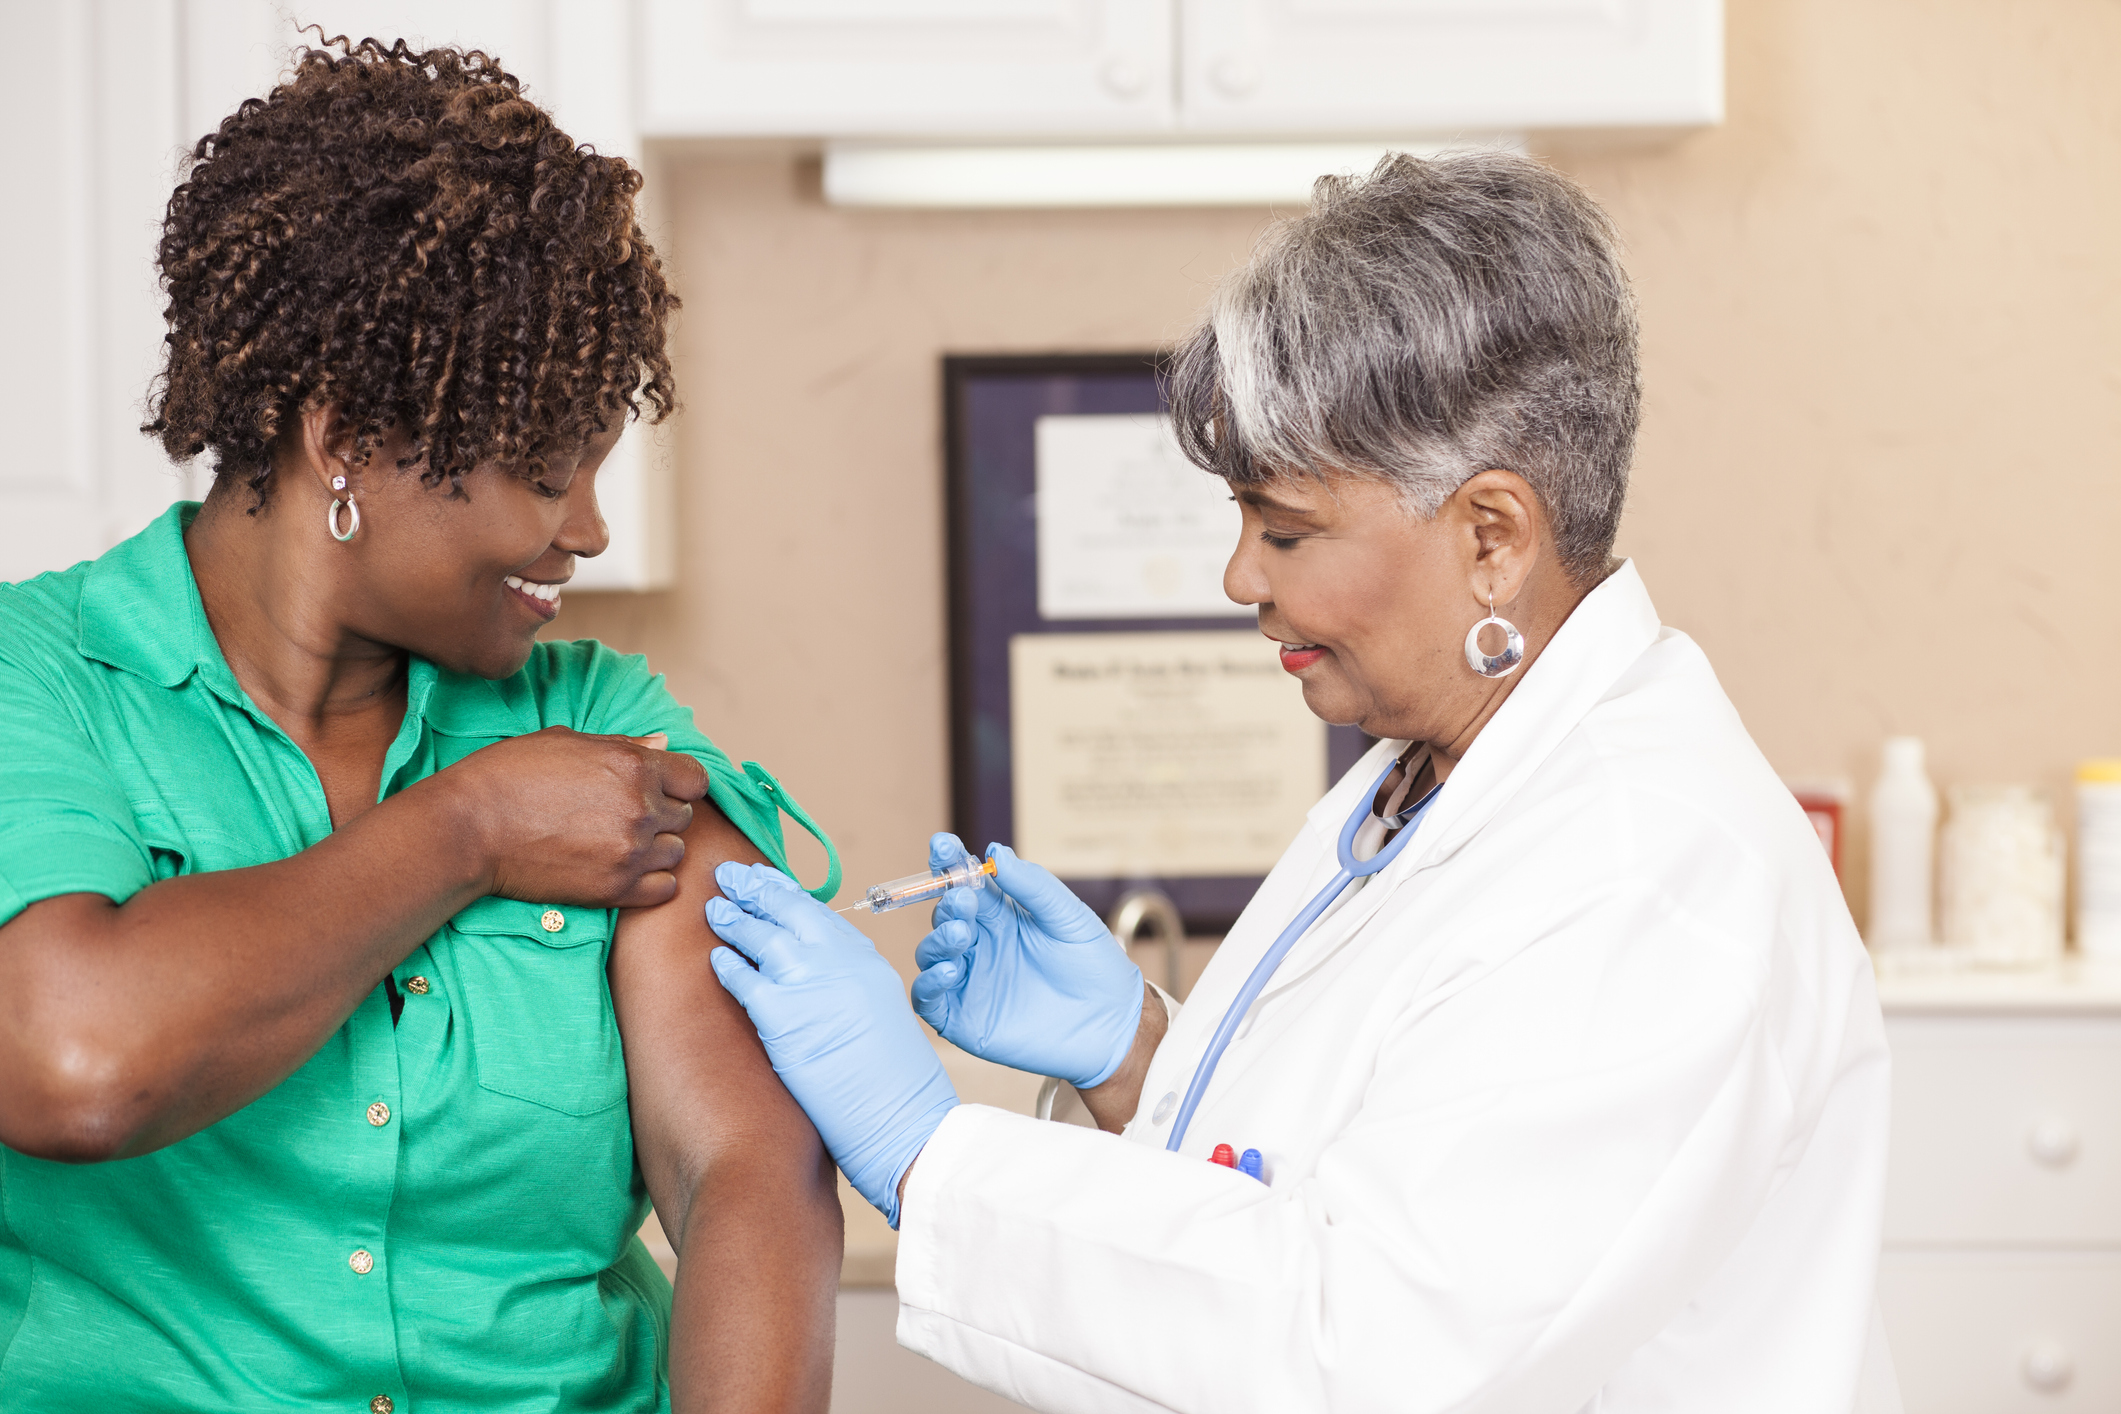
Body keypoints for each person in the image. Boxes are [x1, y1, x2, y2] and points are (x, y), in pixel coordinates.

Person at [706, 152, 1898, 1413]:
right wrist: (1138, 1061)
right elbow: (1334, 1183)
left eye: (1284, 528)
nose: (1239, 579)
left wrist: (923, 1153)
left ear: (1491, 537)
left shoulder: (1648, 868)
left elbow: (1368, 1351)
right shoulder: (1432, 775)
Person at [0, 39, 840, 1413]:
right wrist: (467, 829)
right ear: (343, 442)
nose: (585, 530)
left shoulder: (602, 721)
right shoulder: (34, 677)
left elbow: (745, 1164)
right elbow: (74, 1063)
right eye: (543, 472)